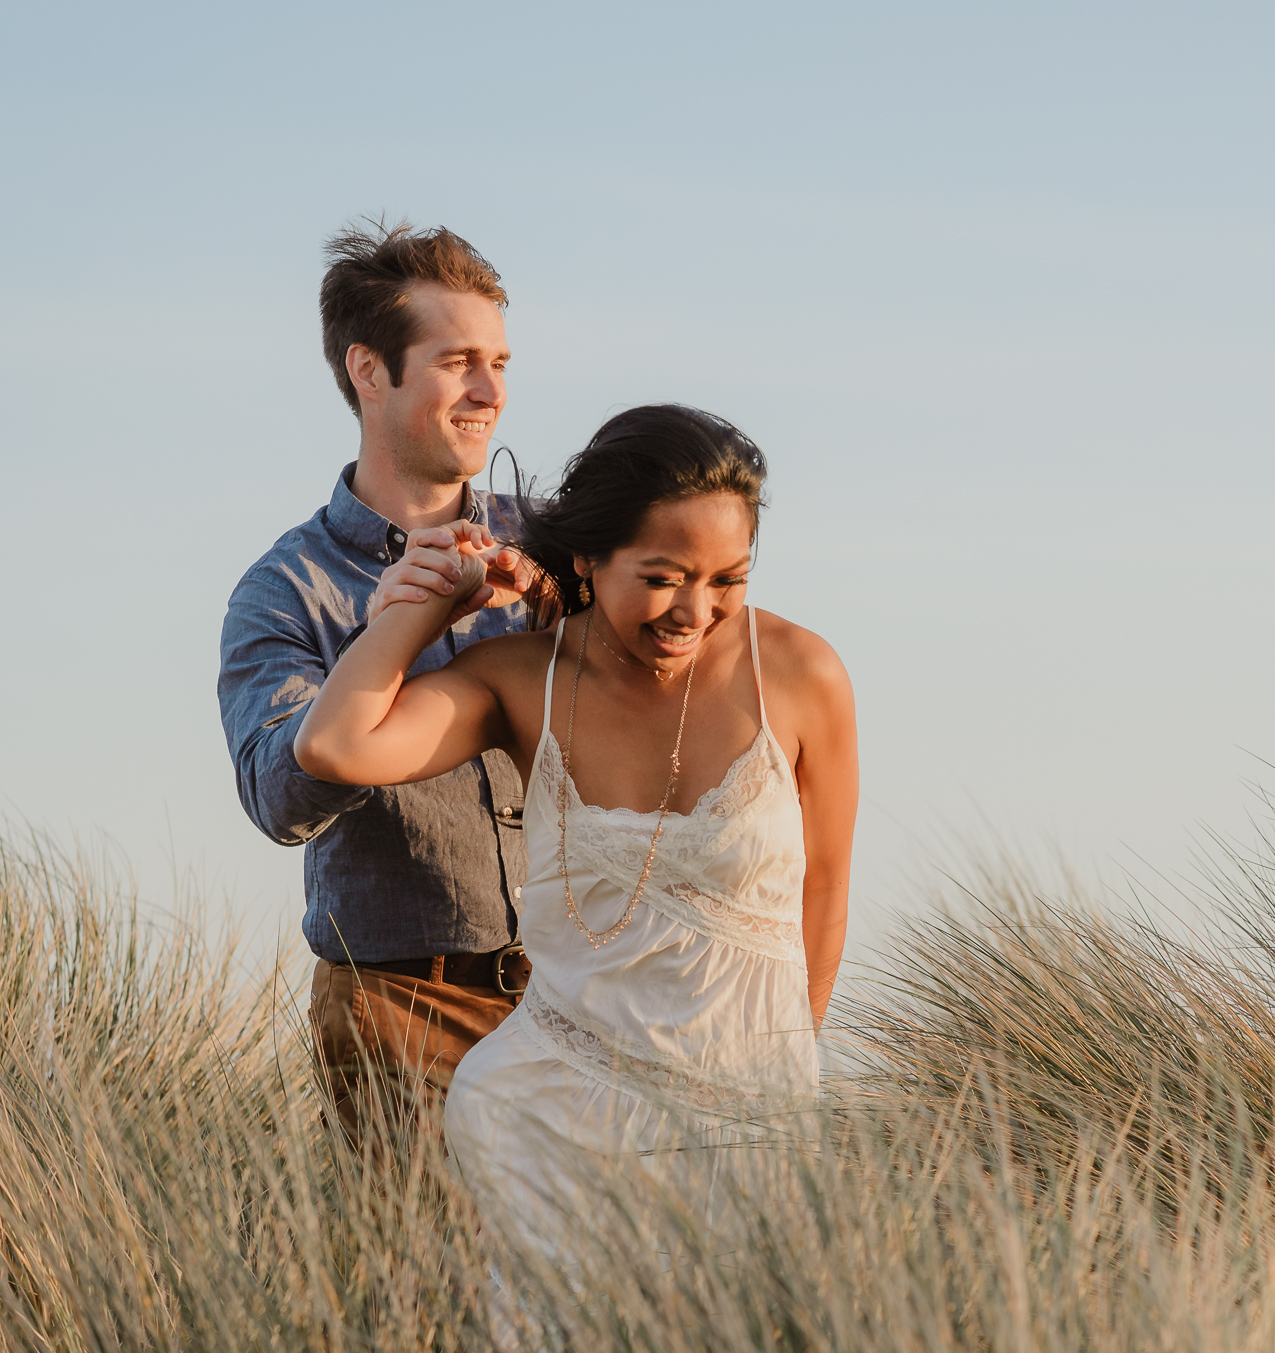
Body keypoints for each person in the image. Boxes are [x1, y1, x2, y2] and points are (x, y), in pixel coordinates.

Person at [291, 406, 857, 1231]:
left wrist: (781, 1086)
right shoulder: (522, 681)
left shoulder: (804, 674)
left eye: (728, 580)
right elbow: (336, 745)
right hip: (549, 1127)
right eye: (663, 577)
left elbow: (827, 896)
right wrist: (431, 606)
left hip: (747, 1130)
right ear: (590, 556)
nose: (695, 611)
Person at [217, 220, 556, 1139]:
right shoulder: (284, 590)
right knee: (424, 1285)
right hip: (403, 1013)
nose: (490, 391)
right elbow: (279, 800)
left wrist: (570, 607)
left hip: (584, 994)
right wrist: (391, 641)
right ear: (369, 371)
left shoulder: (560, 544)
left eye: (499, 361)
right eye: (457, 362)